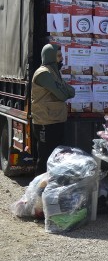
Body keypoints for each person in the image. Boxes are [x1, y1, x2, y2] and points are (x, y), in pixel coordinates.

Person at [31, 44, 76, 175]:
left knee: (57, 157)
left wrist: (63, 89)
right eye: (58, 56)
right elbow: (62, 95)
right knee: (45, 158)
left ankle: (52, 185)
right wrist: (63, 90)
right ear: (50, 56)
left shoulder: (54, 72)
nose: (61, 58)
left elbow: (71, 92)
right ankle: (39, 185)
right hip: (45, 122)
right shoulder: (44, 73)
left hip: (56, 120)